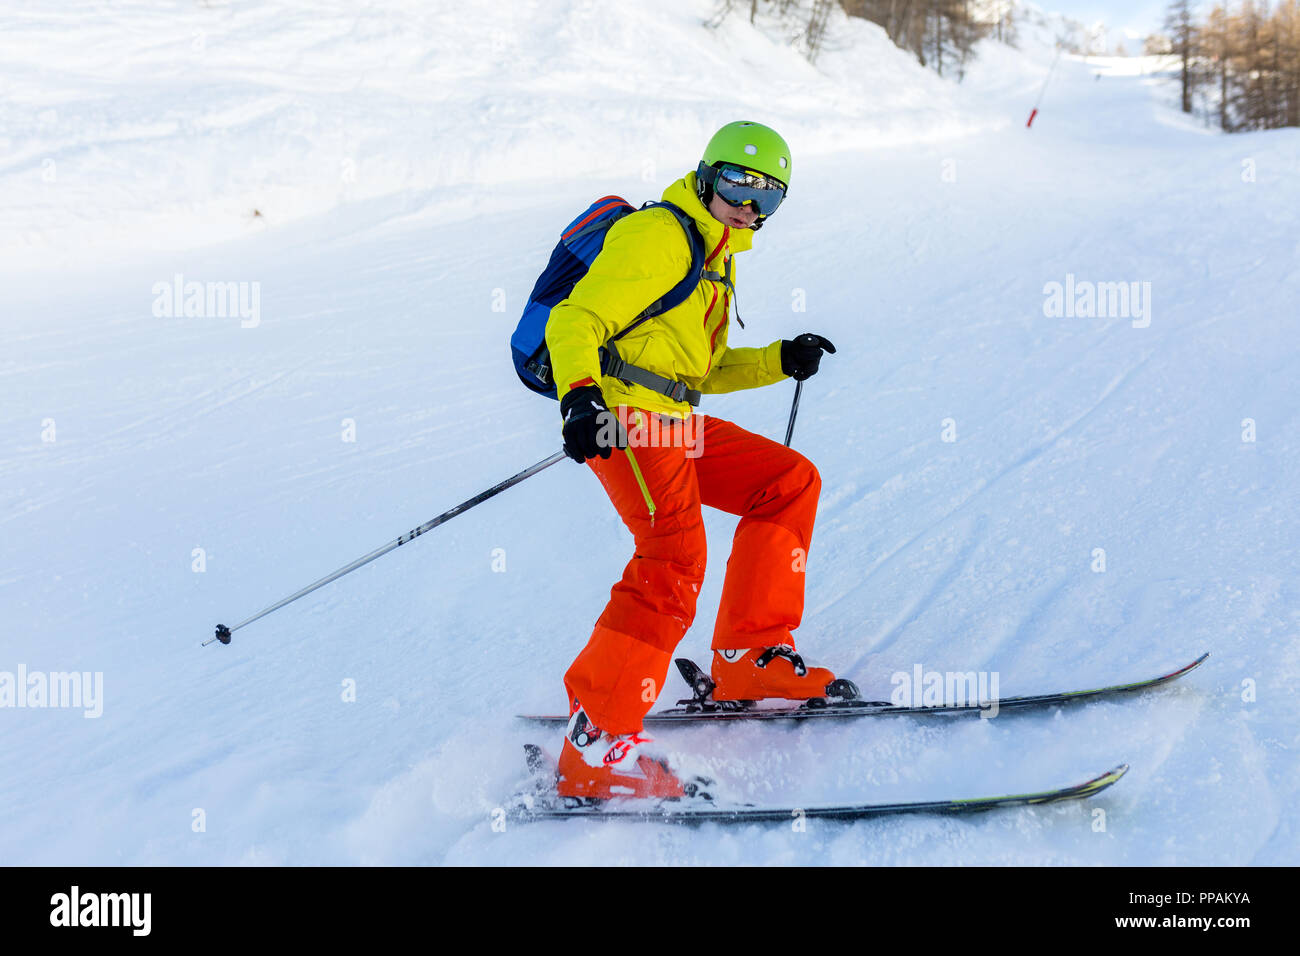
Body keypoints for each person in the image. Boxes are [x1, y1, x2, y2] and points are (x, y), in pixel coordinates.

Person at [545, 121, 842, 799]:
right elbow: (574, 322)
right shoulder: (659, 235)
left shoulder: (716, 253)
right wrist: (581, 400)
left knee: (786, 481)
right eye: (739, 182)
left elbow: (695, 372)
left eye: (768, 197)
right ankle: (597, 742)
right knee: (674, 555)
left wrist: (778, 360)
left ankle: (748, 658)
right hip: (625, 421)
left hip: (673, 420)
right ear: (707, 175)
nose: (749, 205)